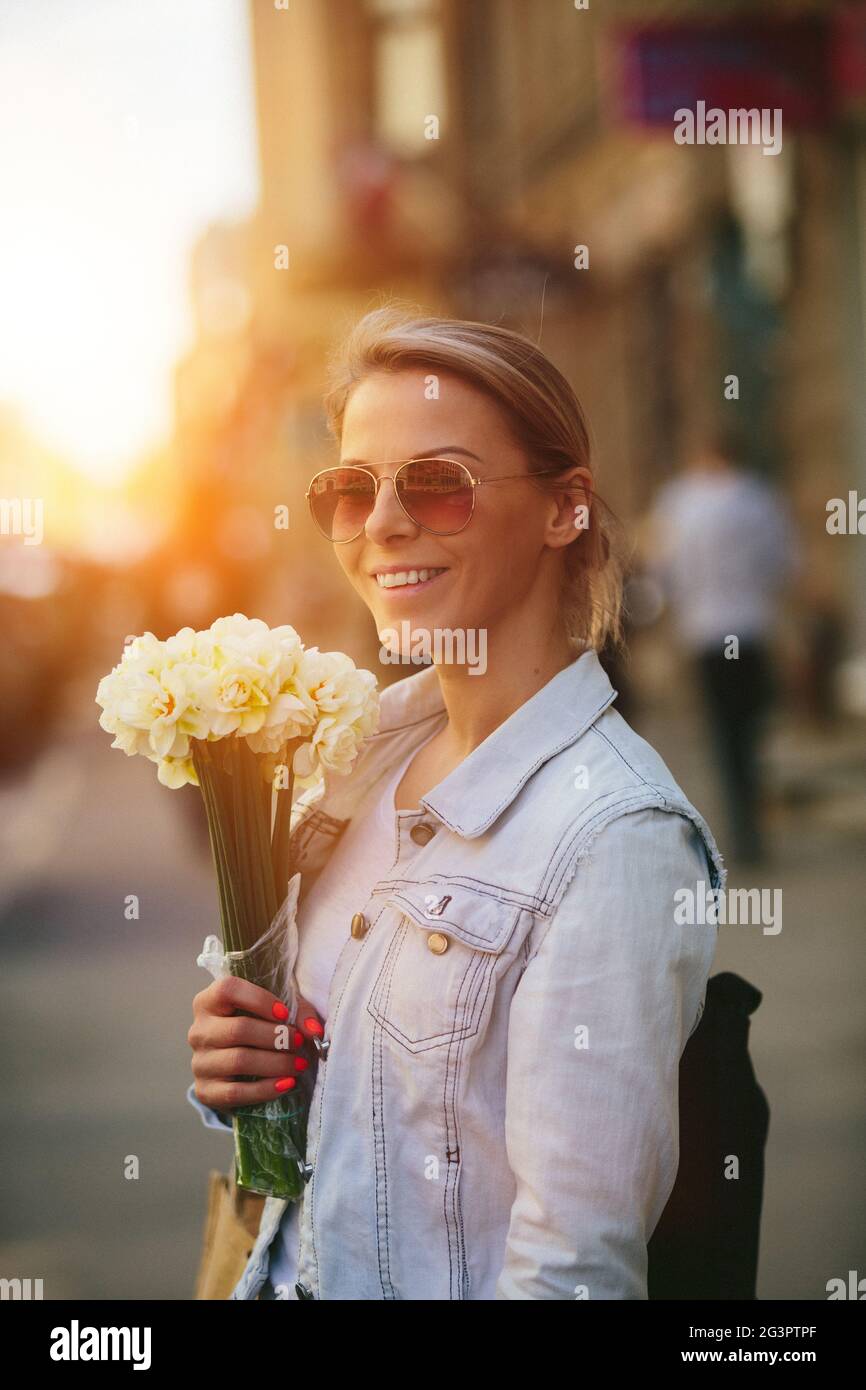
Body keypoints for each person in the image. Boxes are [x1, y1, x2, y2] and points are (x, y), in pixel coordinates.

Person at [187, 308, 722, 1300]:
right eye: (350, 489)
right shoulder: (350, 765)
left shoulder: (613, 841)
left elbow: (570, 1274)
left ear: (565, 509)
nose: (381, 523)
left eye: (437, 484)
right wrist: (240, 1079)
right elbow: (352, 1128)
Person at [648, 442, 798, 865]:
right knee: (750, 731)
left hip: (704, 634)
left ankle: (738, 826)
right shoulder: (757, 496)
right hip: (751, 629)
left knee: (722, 733)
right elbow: (782, 563)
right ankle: (753, 828)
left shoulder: (679, 500)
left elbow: (664, 572)